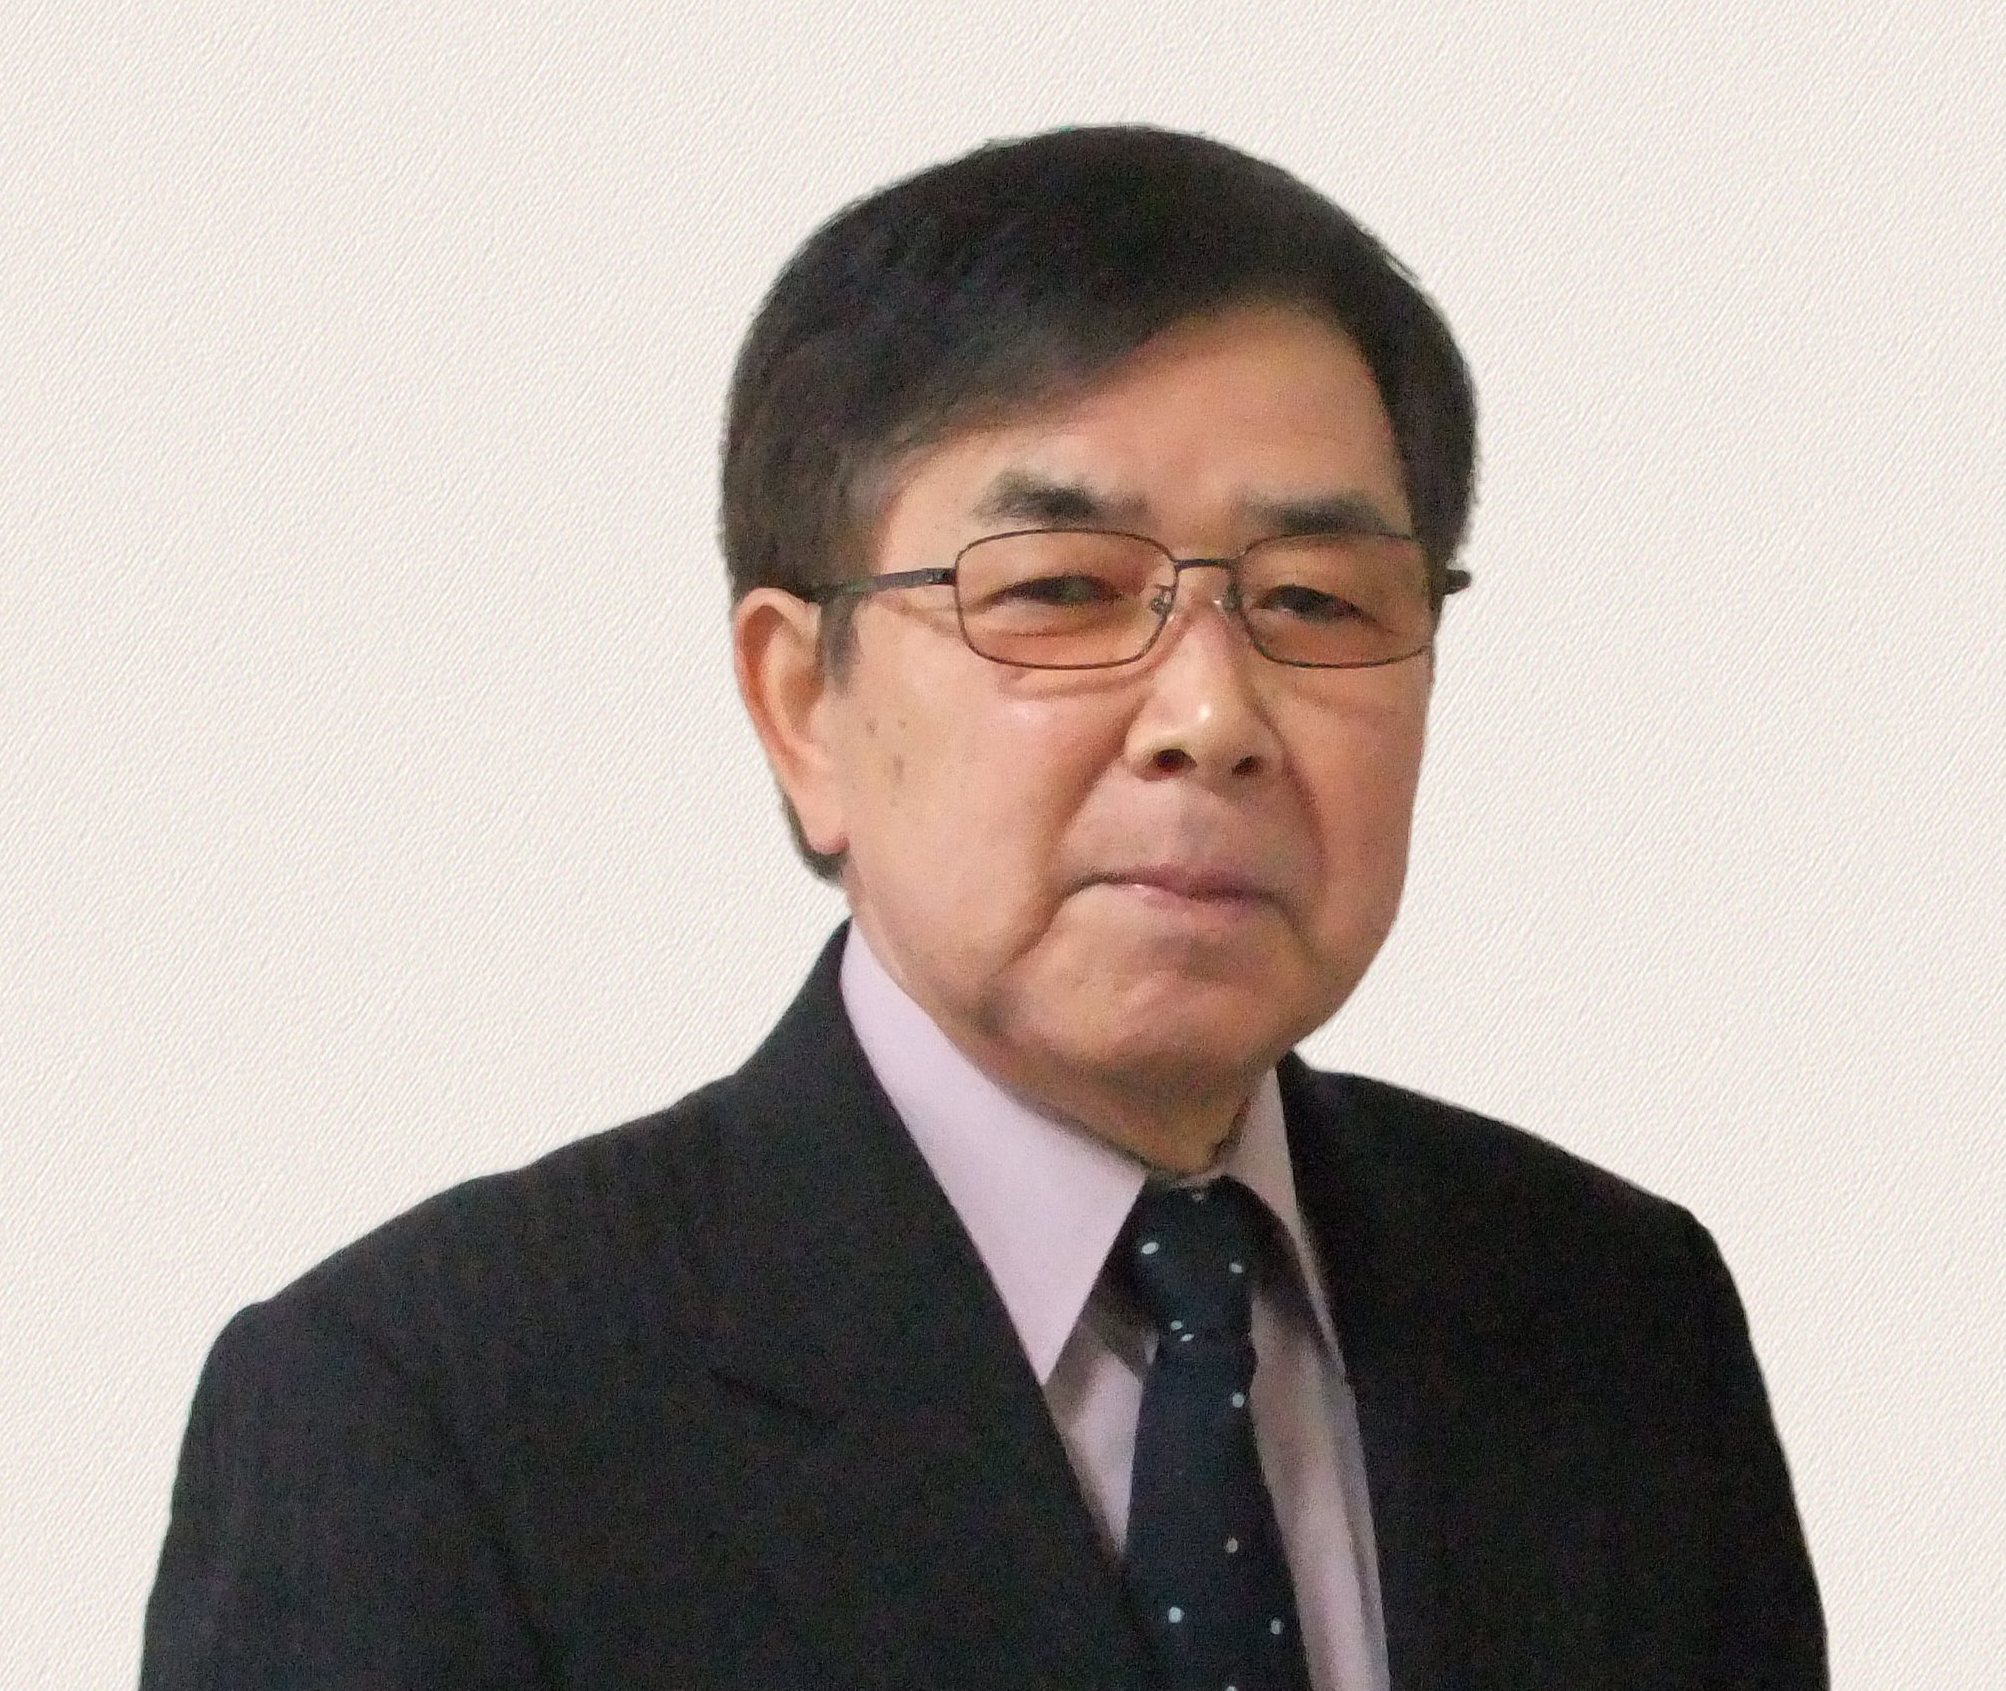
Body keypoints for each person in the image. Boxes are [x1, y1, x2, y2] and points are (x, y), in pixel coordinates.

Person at [140, 126, 1826, 1690]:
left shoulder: (1615, 1319)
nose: (1211, 716)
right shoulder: (427, 1410)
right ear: (802, 702)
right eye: (1062, 591)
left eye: (1316, 601)